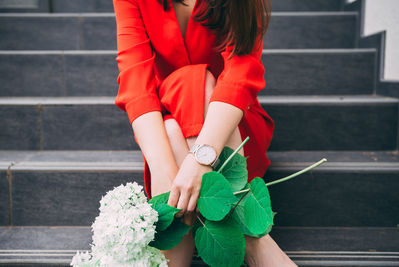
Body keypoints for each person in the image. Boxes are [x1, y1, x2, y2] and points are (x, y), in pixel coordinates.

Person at [112, 0, 297, 266]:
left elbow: (239, 76)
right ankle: (255, 243)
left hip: (235, 138)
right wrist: (175, 185)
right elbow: (136, 85)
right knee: (172, 127)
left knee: (190, 83)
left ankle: (174, 258)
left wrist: (200, 159)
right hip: (168, 141)